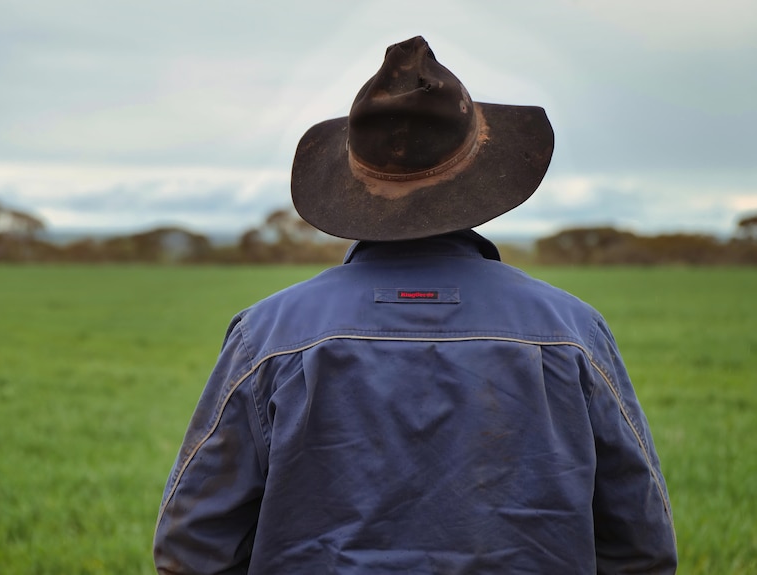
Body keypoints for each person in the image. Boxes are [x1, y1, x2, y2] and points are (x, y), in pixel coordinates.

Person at [153, 36, 677, 574]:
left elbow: (192, 545)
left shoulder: (266, 334)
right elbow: (642, 544)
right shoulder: (573, 331)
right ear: (478, 174)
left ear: (352, 178)